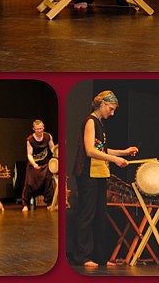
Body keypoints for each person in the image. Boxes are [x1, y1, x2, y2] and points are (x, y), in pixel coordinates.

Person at [71, 90, 138, 269]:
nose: (112, 113)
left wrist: (124, 152)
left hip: (100, 173)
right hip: (87, 174)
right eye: (111, 108)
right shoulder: (90, 121)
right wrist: (116, 161)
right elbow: (90, 151)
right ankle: (82, 257)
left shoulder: (100, 123)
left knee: (100, 216)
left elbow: (102, 150)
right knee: (87, 215)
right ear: (101, 105)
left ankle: (100, 257)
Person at [21, 119, 56, 211]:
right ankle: (25, 204)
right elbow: (29, 154)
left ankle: (48, 203)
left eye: (41, 128)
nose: (39, 131)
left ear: (43, 127)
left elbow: (52, 148)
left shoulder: (48, 136)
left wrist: (55, 153)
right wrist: (34, 164)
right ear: (33, 129)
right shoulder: (30, 140)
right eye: (37, 129)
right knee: (29, 183)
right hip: (33, 164)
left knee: (48, 180)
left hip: (45, 163)